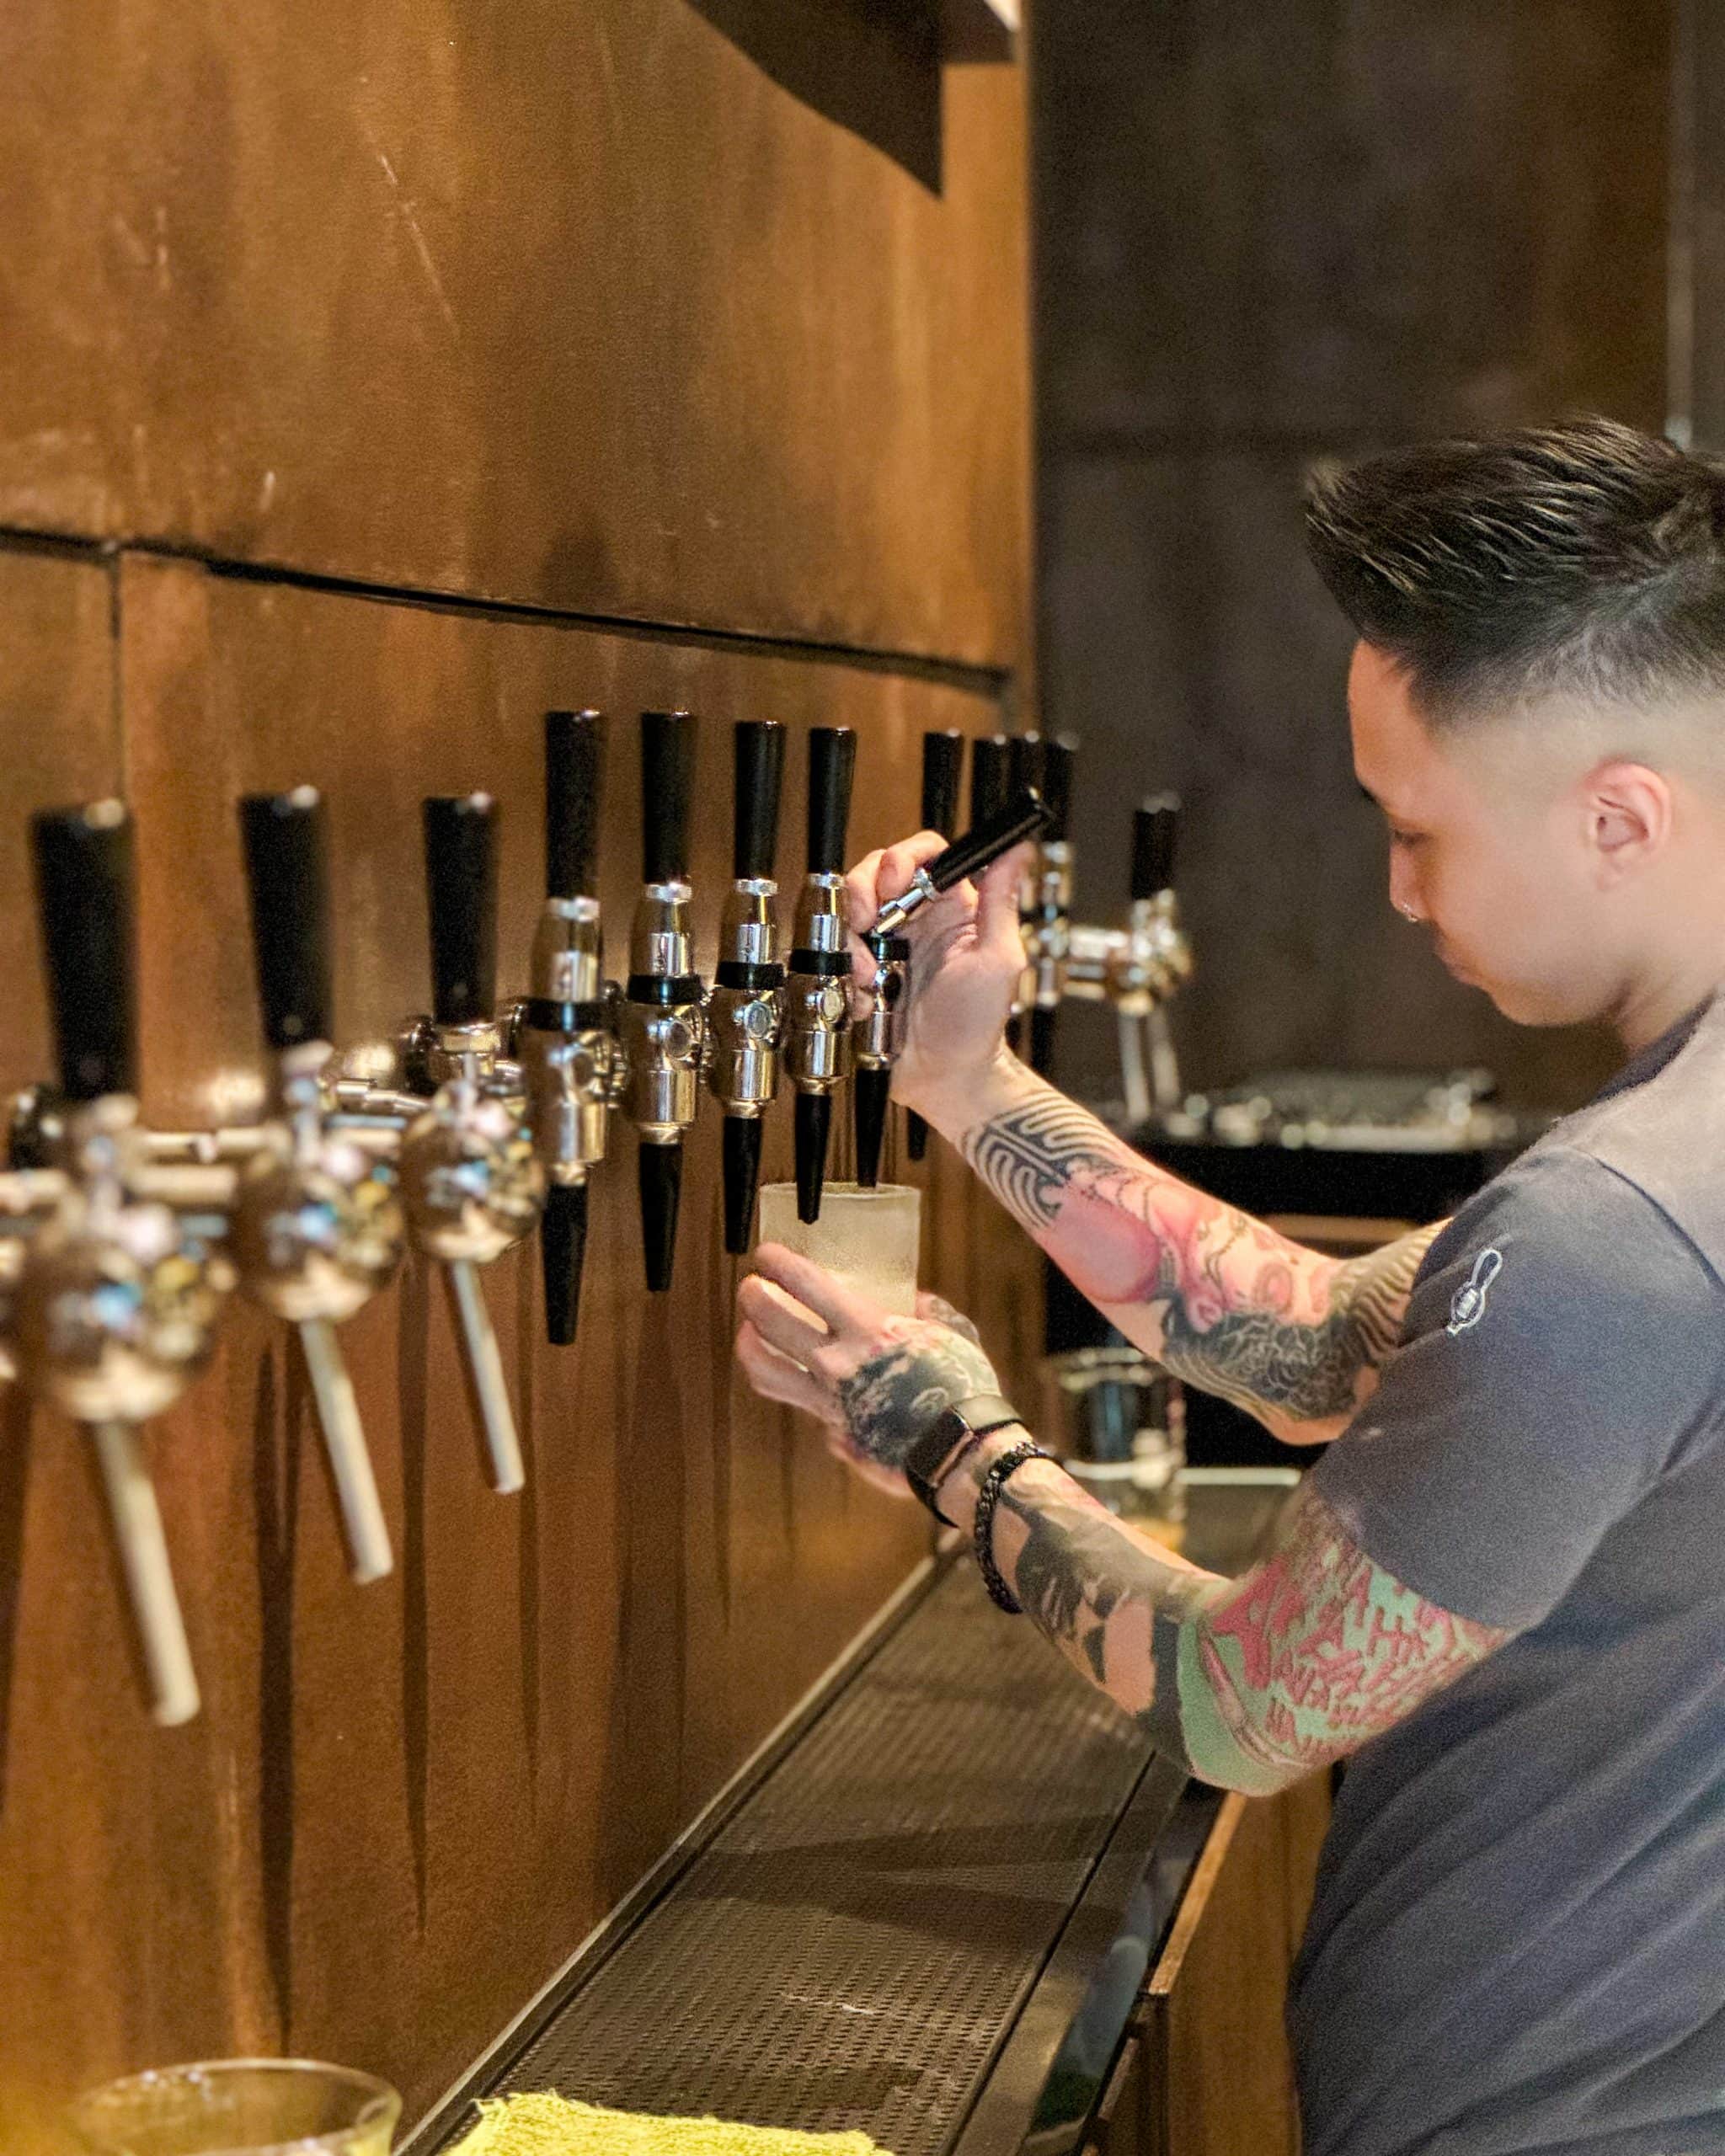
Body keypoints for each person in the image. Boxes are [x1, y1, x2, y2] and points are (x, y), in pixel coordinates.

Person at [734, 418, 1725, 2156]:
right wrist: (966, 1080)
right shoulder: (1669, 1163)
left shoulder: (1613, 1227)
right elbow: (1321, 1344)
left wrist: (944, 1441)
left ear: (1617, 818)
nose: (1398, 891)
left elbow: (1250, 1702)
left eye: (1416, 829)